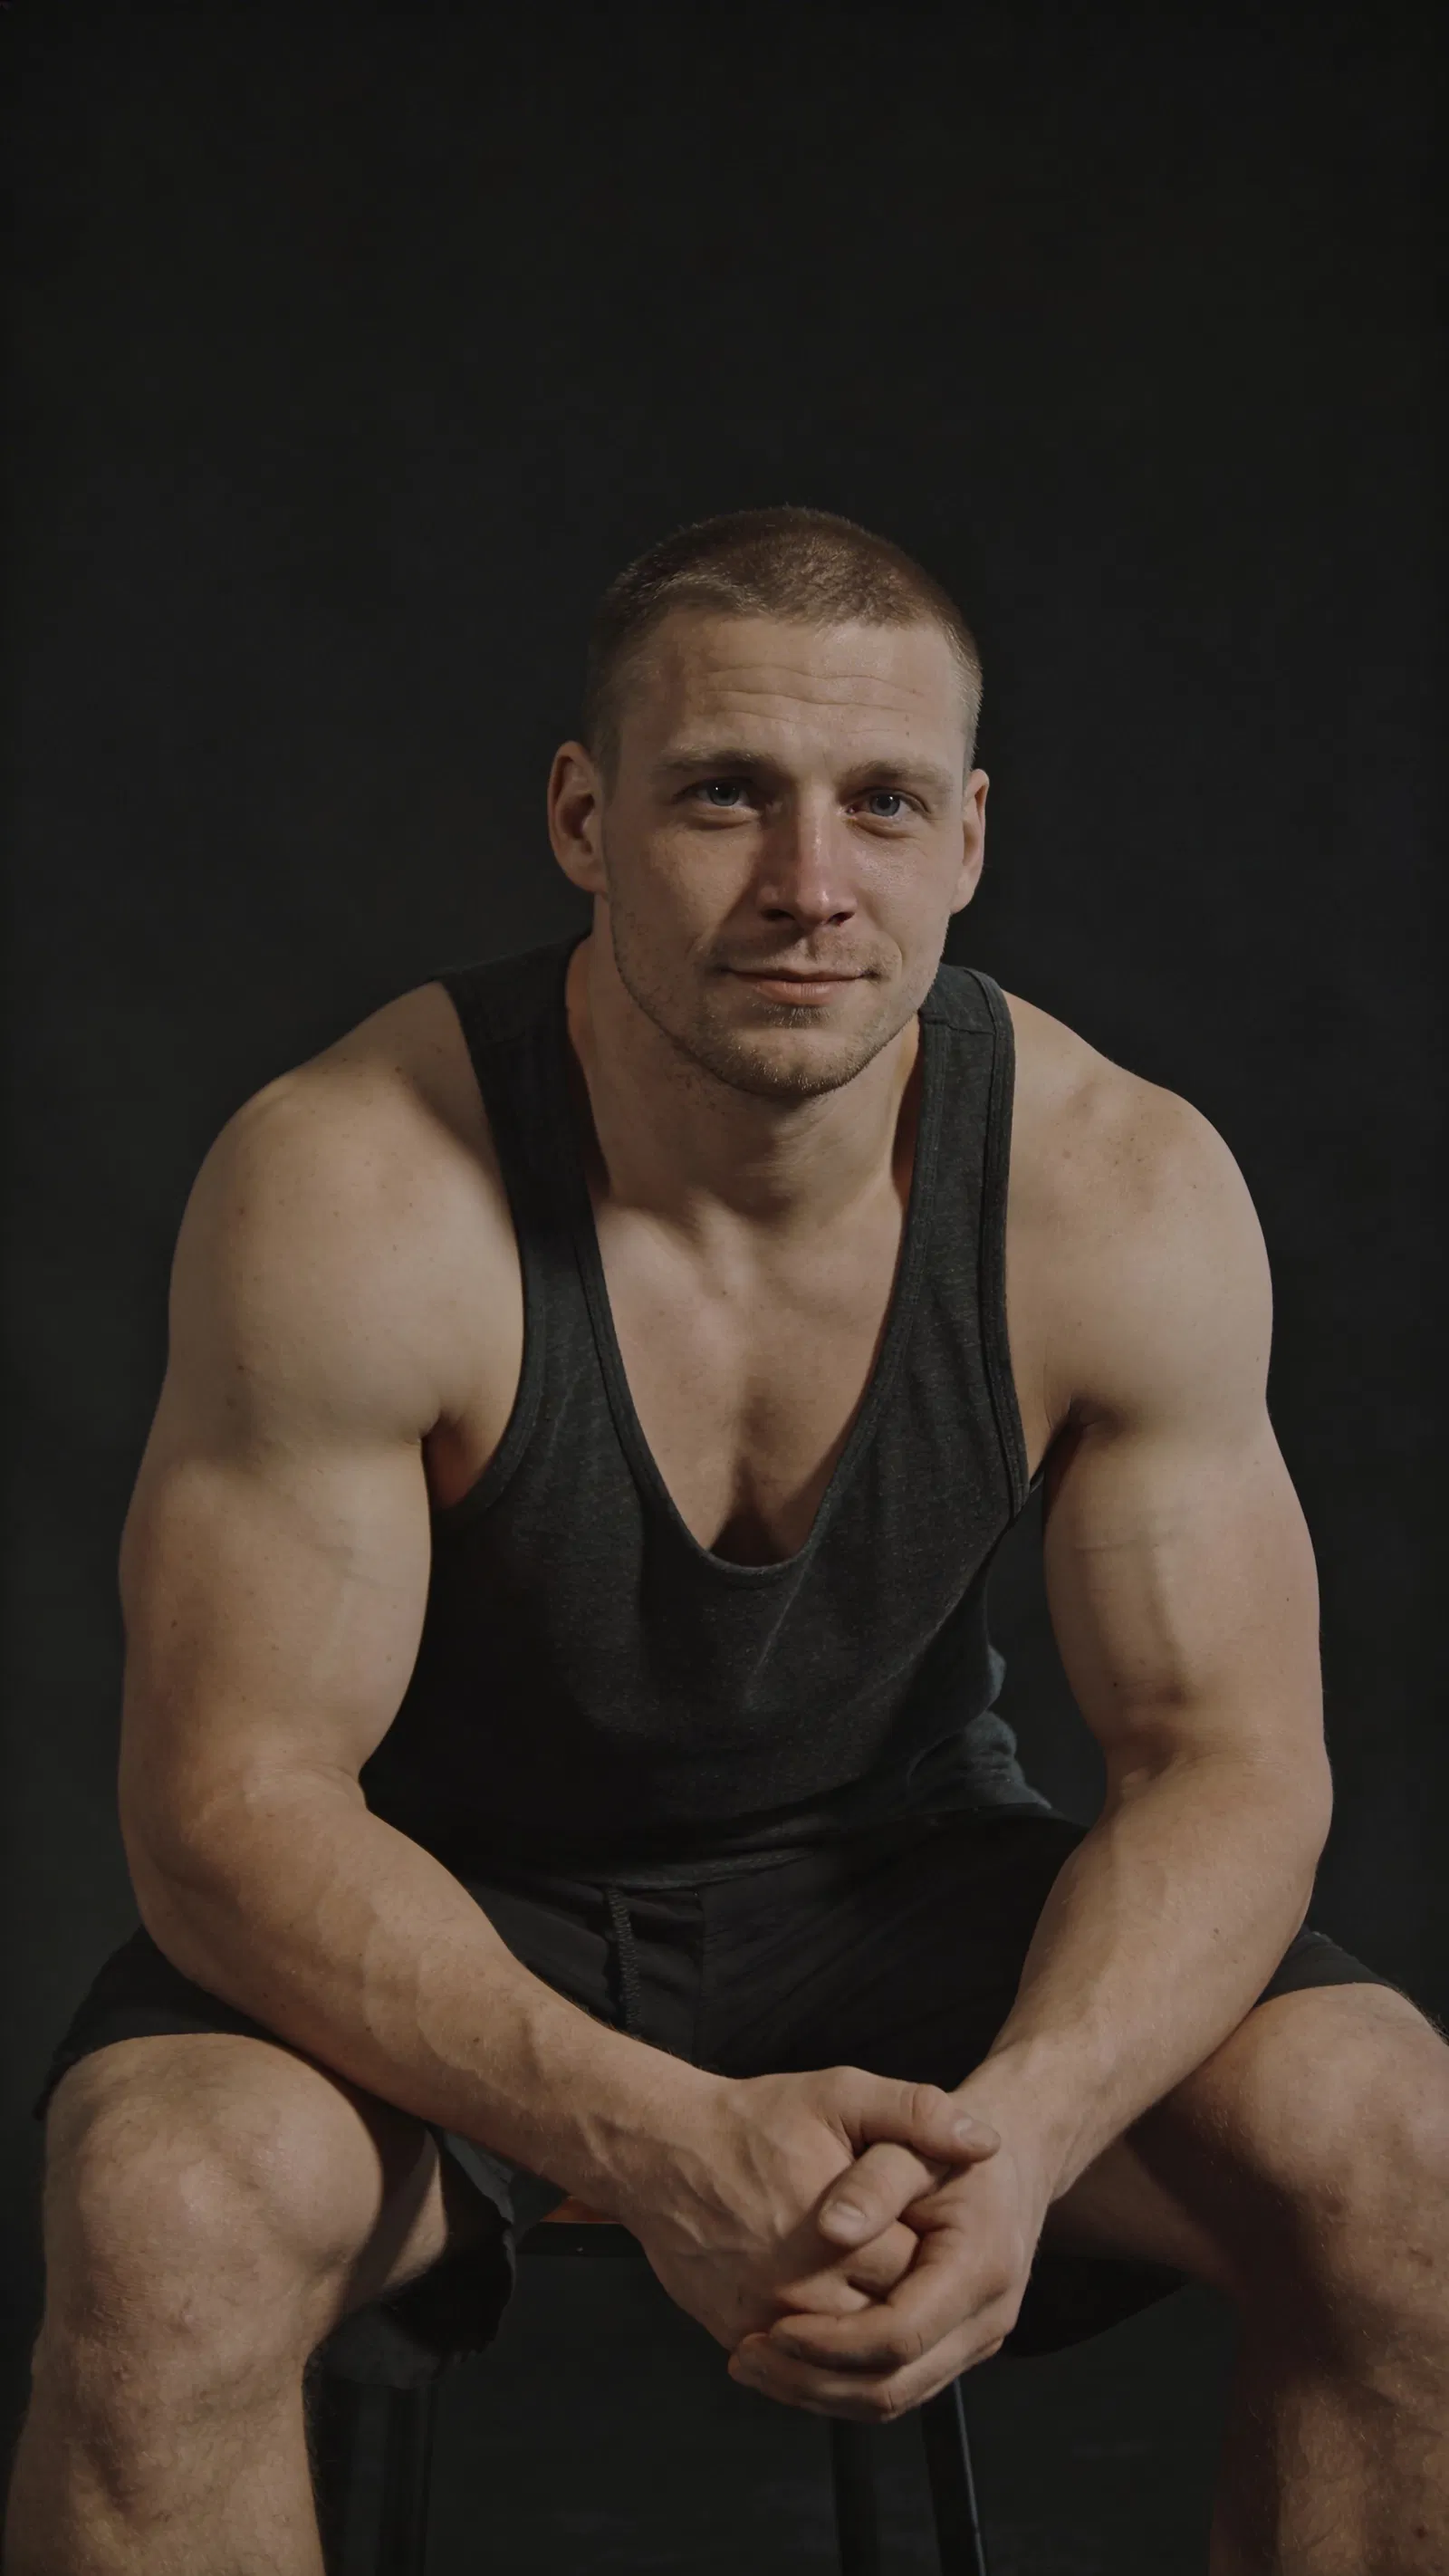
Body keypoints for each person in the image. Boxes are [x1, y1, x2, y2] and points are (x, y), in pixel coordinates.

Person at [6, 507, 1444, 2576]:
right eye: (721, 798)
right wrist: (648, 2134)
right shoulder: (354, 1187)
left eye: (875, 804)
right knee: (161, 2219)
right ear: (584, 819)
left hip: (894, 1887)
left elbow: (1225, 1760)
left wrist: (1021, 2136)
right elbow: (233, 1803)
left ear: (965, 839)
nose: (805, 885)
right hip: (442, 1907)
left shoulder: (1110, 1188)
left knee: (1388, 2147)